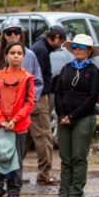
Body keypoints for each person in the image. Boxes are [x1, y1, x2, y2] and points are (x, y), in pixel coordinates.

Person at [53, 34, 99, 197]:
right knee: (65, 157)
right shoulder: (66, 69)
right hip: (64, 118)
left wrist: (72, 116)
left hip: (83, 118)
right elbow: (58, 92)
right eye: (75, 47)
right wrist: (61, 115)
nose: (78, 50)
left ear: (89, 51)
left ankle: (75, 195)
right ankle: (63, 193)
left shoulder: (93, 71)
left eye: (82, 47)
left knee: (78, 157)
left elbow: (92, 97)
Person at [0, 42, 36, 197]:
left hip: (18, 126)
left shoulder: (27, 78)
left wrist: (14, 120)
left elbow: (29, 102)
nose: (15, 55)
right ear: (6, 55)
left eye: (19, 53)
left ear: (23, 56)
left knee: (16, 159)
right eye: (12, 52)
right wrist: (1, 120)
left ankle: (14, 192)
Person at [29, 25, 66, 186]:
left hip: (34, 97)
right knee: (44, 136)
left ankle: (12, 172)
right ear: (56, 37)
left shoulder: (40, 47)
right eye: (62, 41)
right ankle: (44, 174)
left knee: (26, 137)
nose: (61, 45)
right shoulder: (41, 50)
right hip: (38, 98)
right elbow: (36, 76)